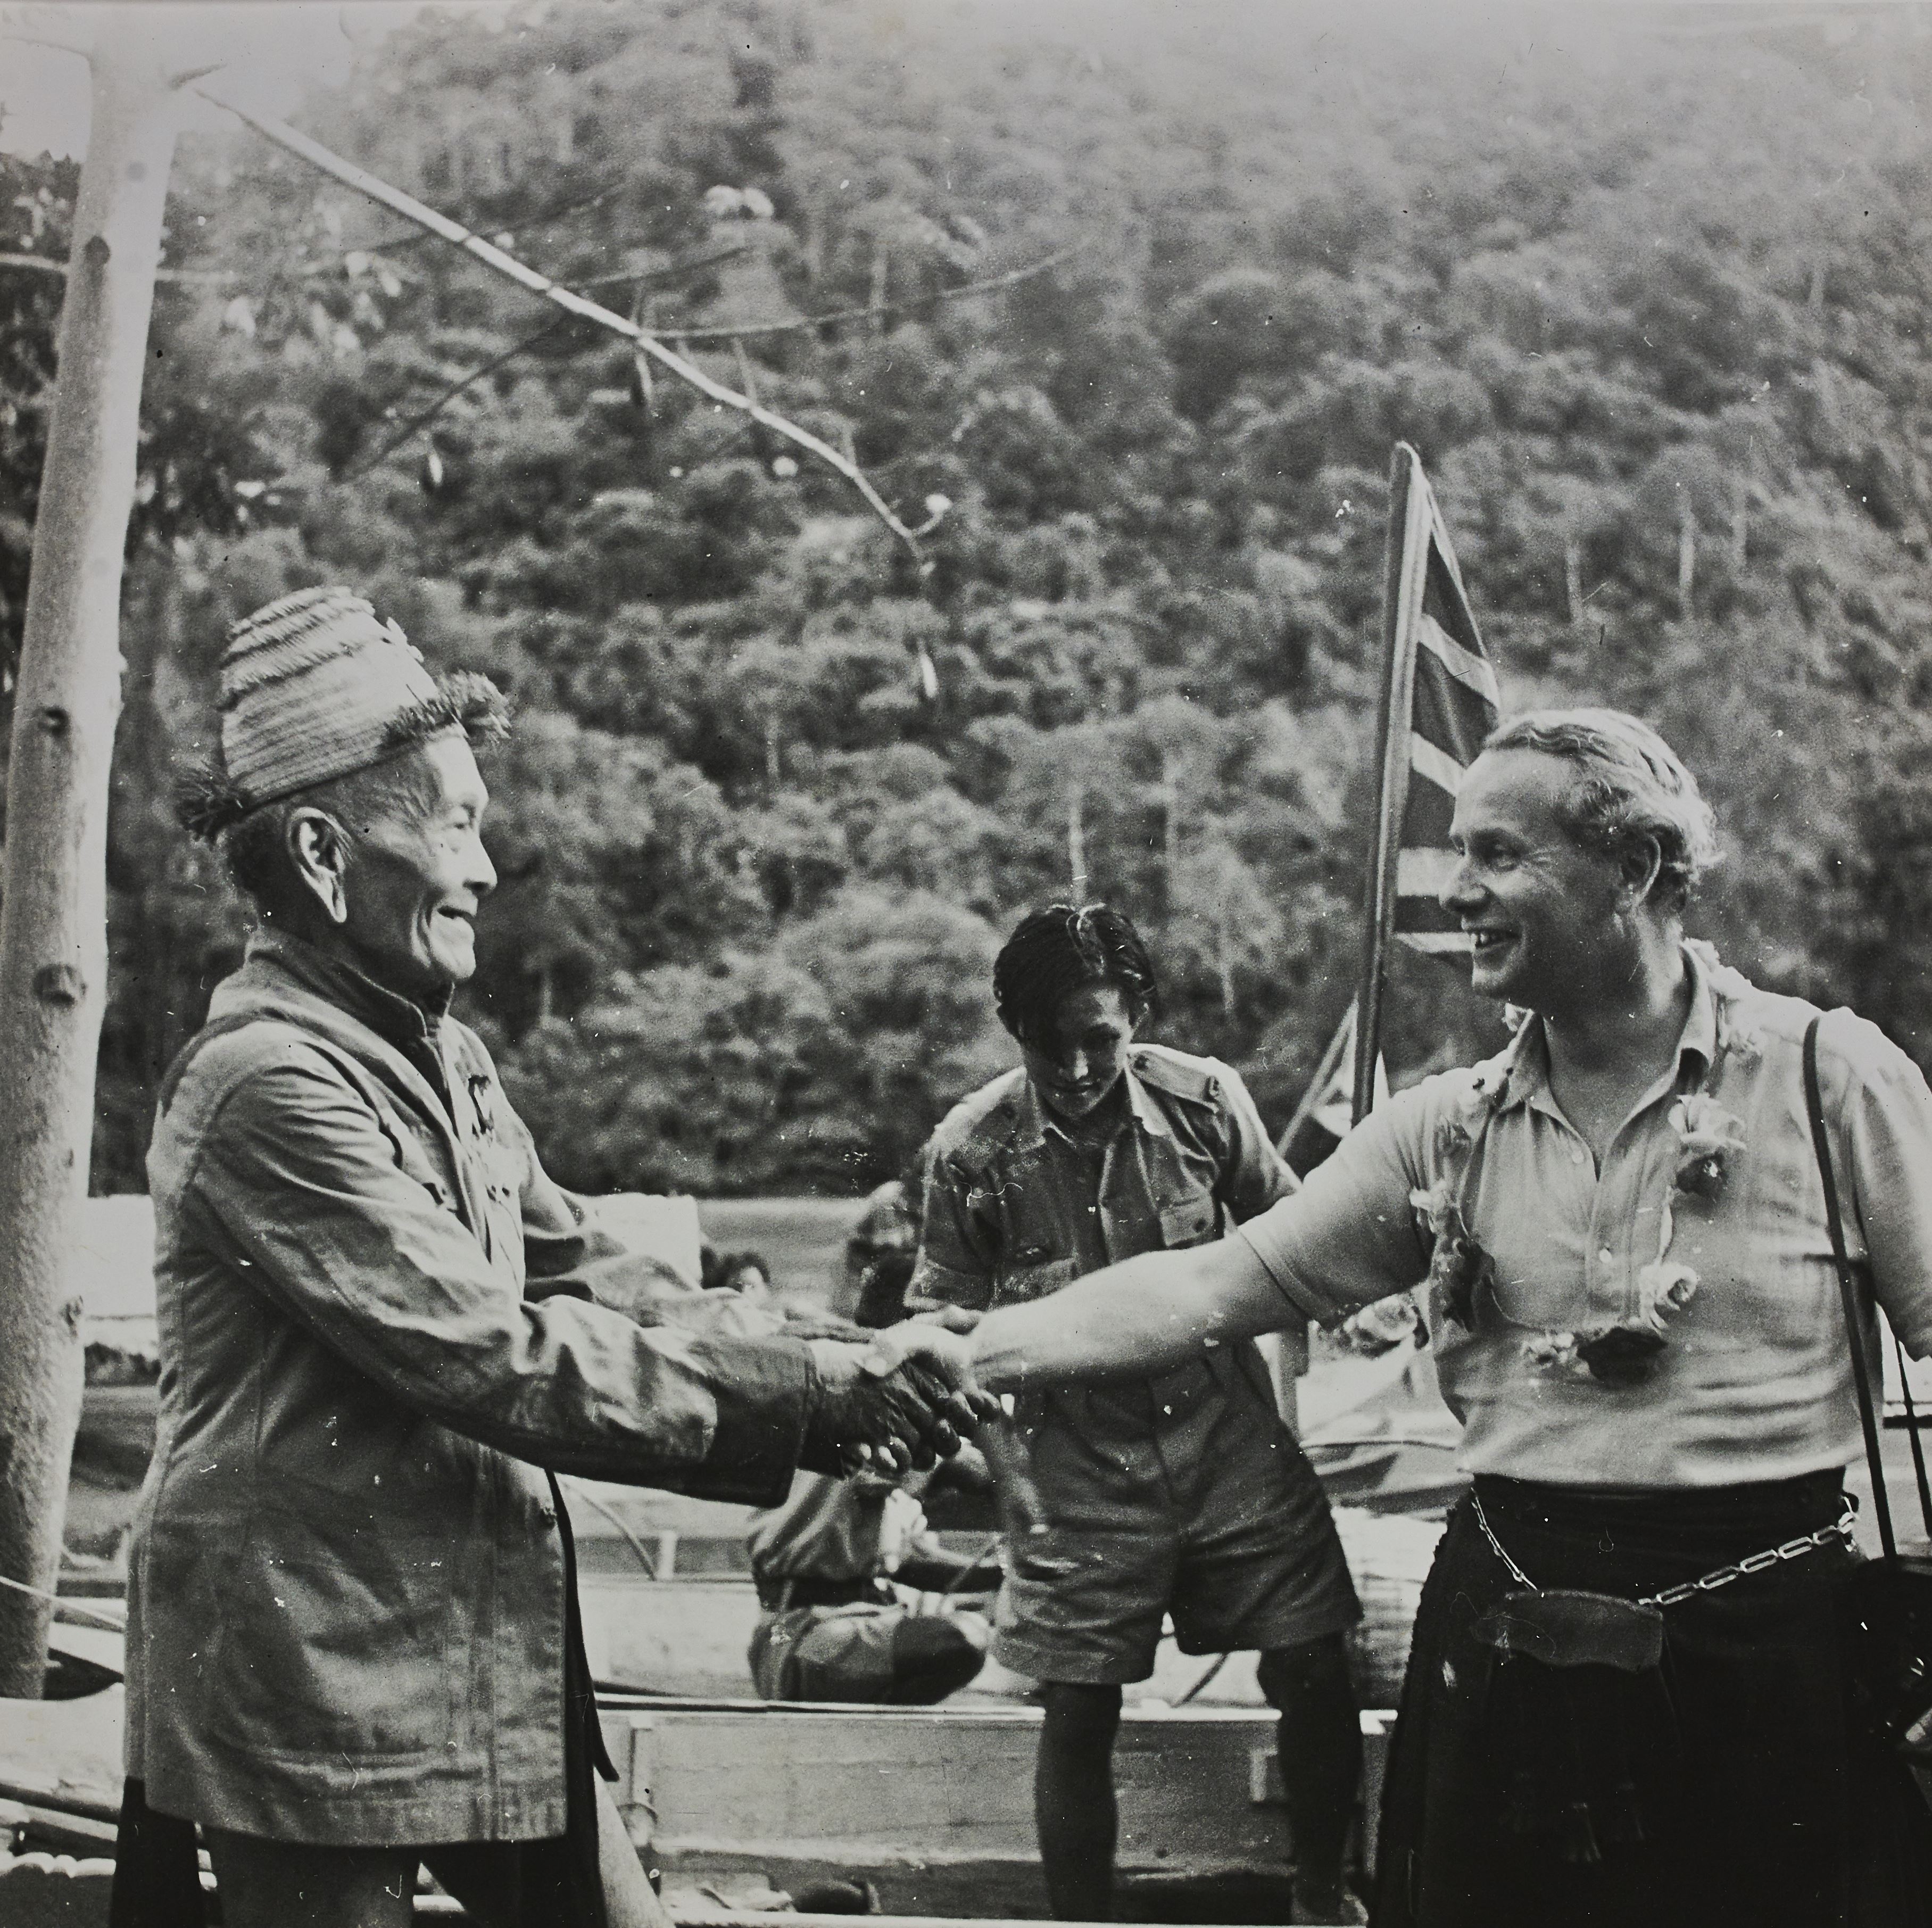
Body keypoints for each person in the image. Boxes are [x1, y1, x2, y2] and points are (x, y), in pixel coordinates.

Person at [889, 711, 1932, 1928]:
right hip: (1508, 1627)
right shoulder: (1448, 1126)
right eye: (1453, 850)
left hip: (1770, 1642)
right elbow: (1213, 1285)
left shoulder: (1829, 1078)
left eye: (1499, 854)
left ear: (1636, 870)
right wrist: (967, 1347)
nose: (1459, 890)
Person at [113, 587, 989, 1928]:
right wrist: (819, 1409)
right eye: (456, 825)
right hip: (310, 1660)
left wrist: (847, 1356)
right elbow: (490, 1348)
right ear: (323, 851)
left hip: (478, 1635)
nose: (483, 868)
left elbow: (580, 1269)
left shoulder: (440, 1057)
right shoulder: (266, 1088)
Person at [911, 905, 1365, 1925]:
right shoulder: (972, 1151)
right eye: (1045, 1044)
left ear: (1138, 1016)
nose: (1074, 1067)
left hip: (1232, 1444)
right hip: (1074, 1469)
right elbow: (944, 1331)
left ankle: (1324, 1896)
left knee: (1313, 1659)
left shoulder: (1207, 1105)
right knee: (1077, 1709)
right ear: (1011, 1030)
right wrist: (1009, 1477)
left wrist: (1321, 1384)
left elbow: (1298, 1242)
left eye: (1099, 1038)